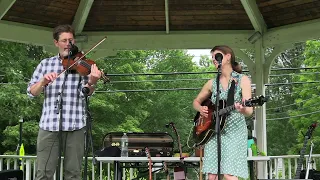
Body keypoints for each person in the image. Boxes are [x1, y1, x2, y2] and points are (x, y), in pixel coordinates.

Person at [27, 24, 102, 180]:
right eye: (64, 40)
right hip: (49, 125)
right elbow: (31, 92)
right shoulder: (45, 64)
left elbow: (86, 93)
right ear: (56, 43)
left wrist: (93, 81)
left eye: (71, 40)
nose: (69, 44)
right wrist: (42, 83)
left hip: (75, 126)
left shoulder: (81, 63)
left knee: (73, 174)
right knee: (43, 173)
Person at [193, 45, 253, 180]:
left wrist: (242, 109)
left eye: (217, 56)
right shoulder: (212, 83)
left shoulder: (242, 80)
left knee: (229, 173)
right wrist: (200, 109)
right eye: (212, 57)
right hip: (214, 130)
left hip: (235, 131)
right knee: (212, 174)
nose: (214, 59)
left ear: (227, 57)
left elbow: (249, 110)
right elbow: (196, 102)